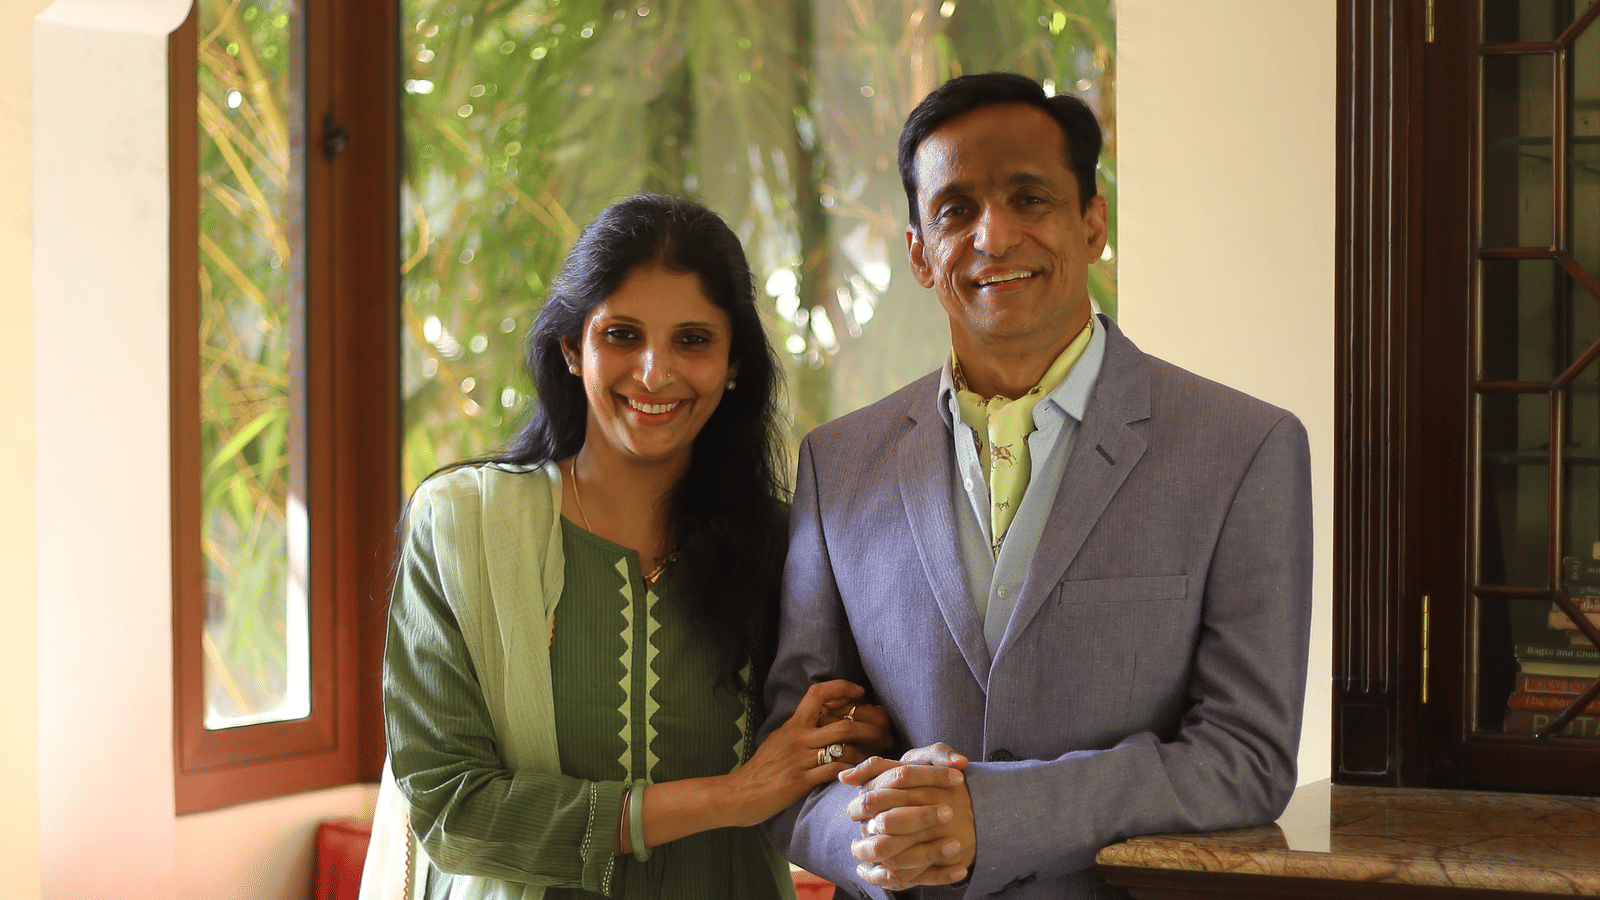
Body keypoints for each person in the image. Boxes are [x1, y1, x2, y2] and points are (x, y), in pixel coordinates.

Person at [760, 73, 1313, 899]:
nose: (994, 236)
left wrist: (999, 813)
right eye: (955, 211)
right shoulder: (837, 464)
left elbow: (1247, 758)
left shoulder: (1246, 448)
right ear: (918, 252)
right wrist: (873, 839)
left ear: (1092, 224)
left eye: (1031, 199)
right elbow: (797, 754)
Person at [366, 194, 891, 900]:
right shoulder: (464, 529)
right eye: (622, 335)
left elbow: (845, 740)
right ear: (571, 350)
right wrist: (731, 796)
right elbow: (452, 809)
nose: (654, 372)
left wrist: (852, 741)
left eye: (693, 340)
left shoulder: (787, 544)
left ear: (734, 363)